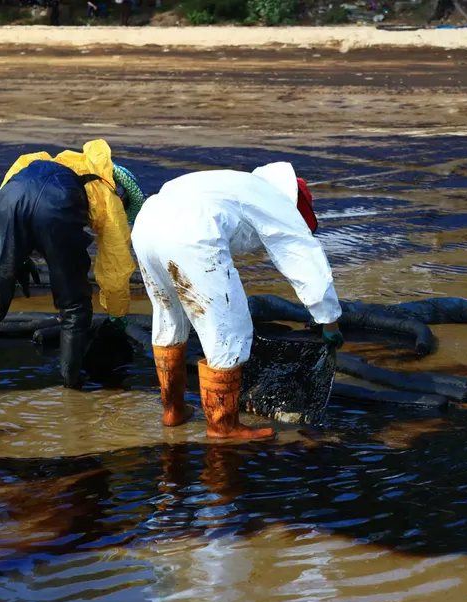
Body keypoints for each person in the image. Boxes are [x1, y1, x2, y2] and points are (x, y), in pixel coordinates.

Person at [131, 163, 344, 440]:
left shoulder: (235, 184)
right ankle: (223, 426)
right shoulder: (277, 203)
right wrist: (329, 322)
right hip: (191, 231)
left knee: (169, 316)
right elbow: (306, 263)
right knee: (228, 328)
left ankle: (173, 411)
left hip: (147, 225)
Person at [0, 139, 145, 400]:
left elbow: (10, 195)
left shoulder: (37, 159)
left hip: (10, 198)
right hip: (58, 206)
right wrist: (118, 314)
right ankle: (72, 389)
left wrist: (19, 255)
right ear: (121, 191)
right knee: (74, 306)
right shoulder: (108, 196)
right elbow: (115, 265)